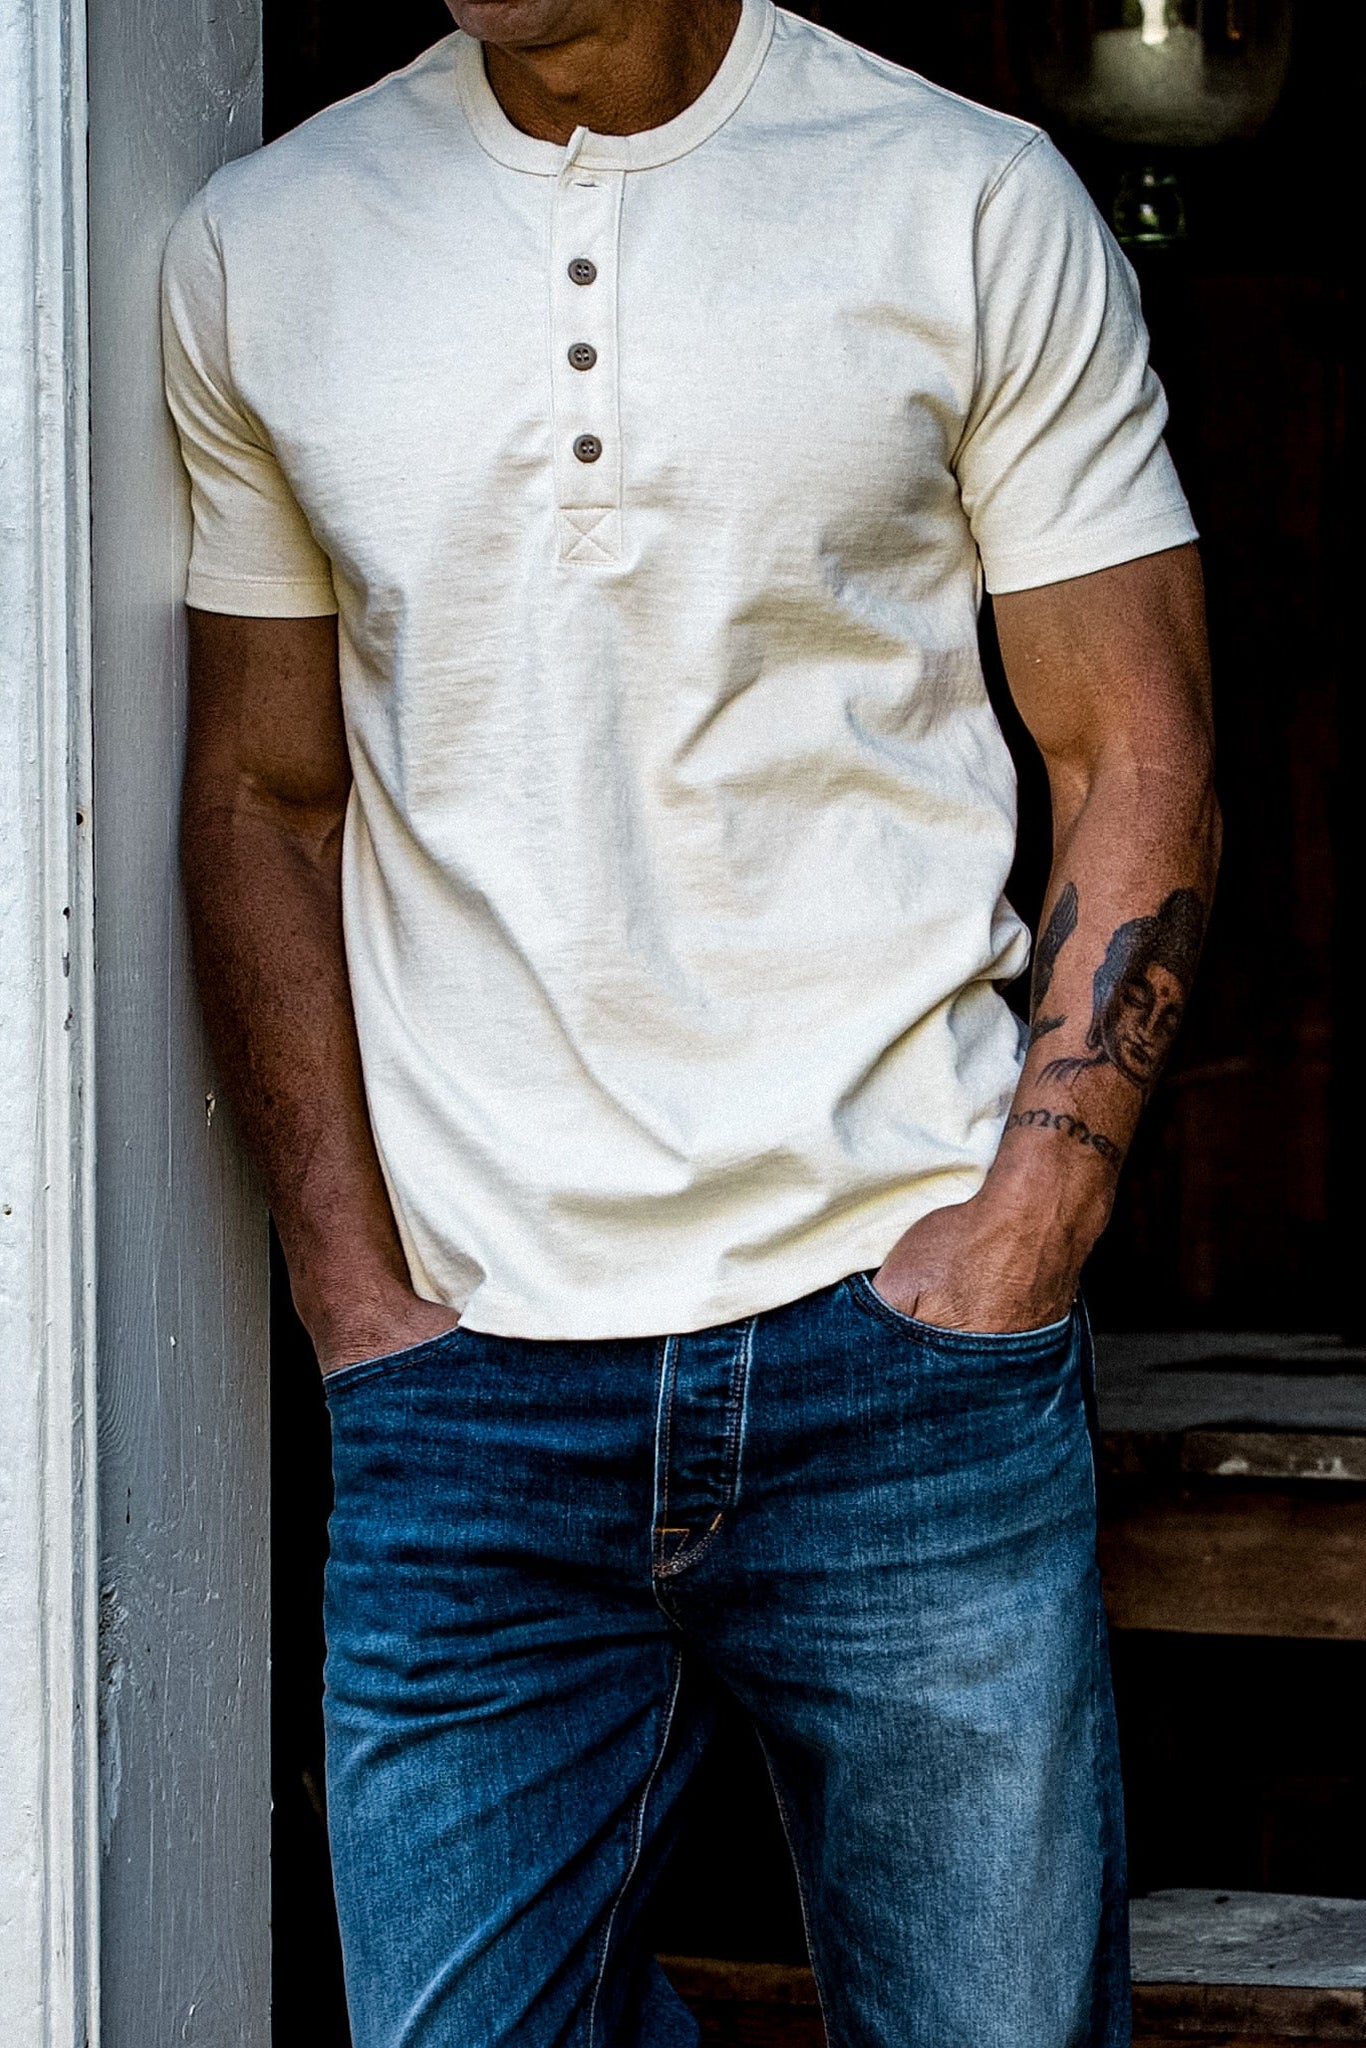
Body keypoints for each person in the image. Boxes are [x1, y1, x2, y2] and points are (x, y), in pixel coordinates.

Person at [163, 2, 1219, 2042]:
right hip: (463, 1388)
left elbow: (1134, 740)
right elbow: (261, 798)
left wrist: (1022, 1234)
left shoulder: (959, 198)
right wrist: (349, 1291)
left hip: (897, 1351)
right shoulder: (263, 242)